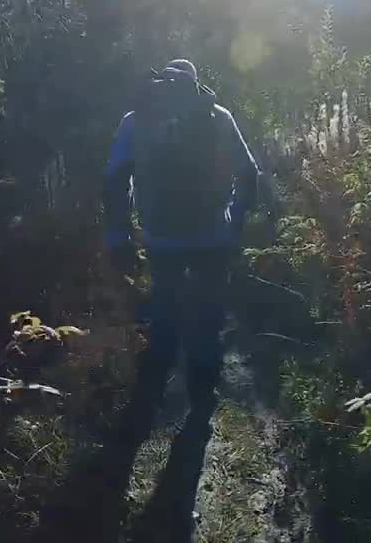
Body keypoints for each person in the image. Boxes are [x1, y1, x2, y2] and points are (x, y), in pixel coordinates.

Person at [103, 58, 259, 419]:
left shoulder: (135, 120)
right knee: (208, 314)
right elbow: (248, 172)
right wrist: (234, 221)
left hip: (161, 236)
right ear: (195, 85)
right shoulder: (218, 116)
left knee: (165, 307)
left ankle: (150, 397)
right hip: (212, 236)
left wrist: (119, 232)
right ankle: (202, 401)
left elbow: (115, 179)